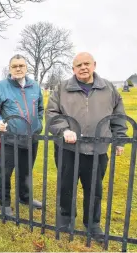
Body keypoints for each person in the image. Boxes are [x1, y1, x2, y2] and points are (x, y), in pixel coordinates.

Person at [46, 52, 128, 241]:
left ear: (94, 65)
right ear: (73, 69)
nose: (83, 68)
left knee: (94, 188)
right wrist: (63, 130)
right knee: (66, 186)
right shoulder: (61, 88)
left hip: (98, 149)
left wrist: (120, 138)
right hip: (68, 149)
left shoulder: (108, 89)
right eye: (79, 65)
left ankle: (93, 223)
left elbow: (118, 116)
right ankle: (65, 219)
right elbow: (52, 114)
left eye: (87, 64)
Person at [0, 54, 44, 216]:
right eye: (15, 66)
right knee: (5, 172)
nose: (18, 68)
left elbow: (40, 108)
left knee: (26, 170)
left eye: (21, 65)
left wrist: (38, 124)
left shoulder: (35, 86)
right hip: (9, 138)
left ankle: (25, 197)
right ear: (10, 68)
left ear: (26, 68)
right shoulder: (1, 87)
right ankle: (4, 203)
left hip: (31, 137)